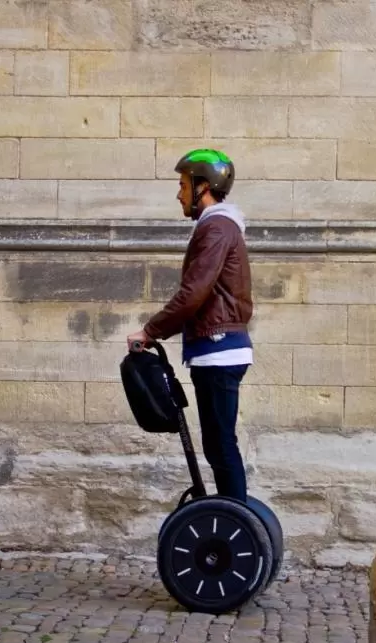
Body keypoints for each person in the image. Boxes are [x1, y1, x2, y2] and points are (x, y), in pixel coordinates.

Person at [126, 149, 253, 502]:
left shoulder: (216, 228)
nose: (179, 194)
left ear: (203, 187)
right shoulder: (218, 227)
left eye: (183, 185)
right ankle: (235, 518)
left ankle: (235, 522)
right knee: (218, 444)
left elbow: (194, 293)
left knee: (220, 445)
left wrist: (149, 331)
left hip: (218, 349)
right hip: (218, 347)